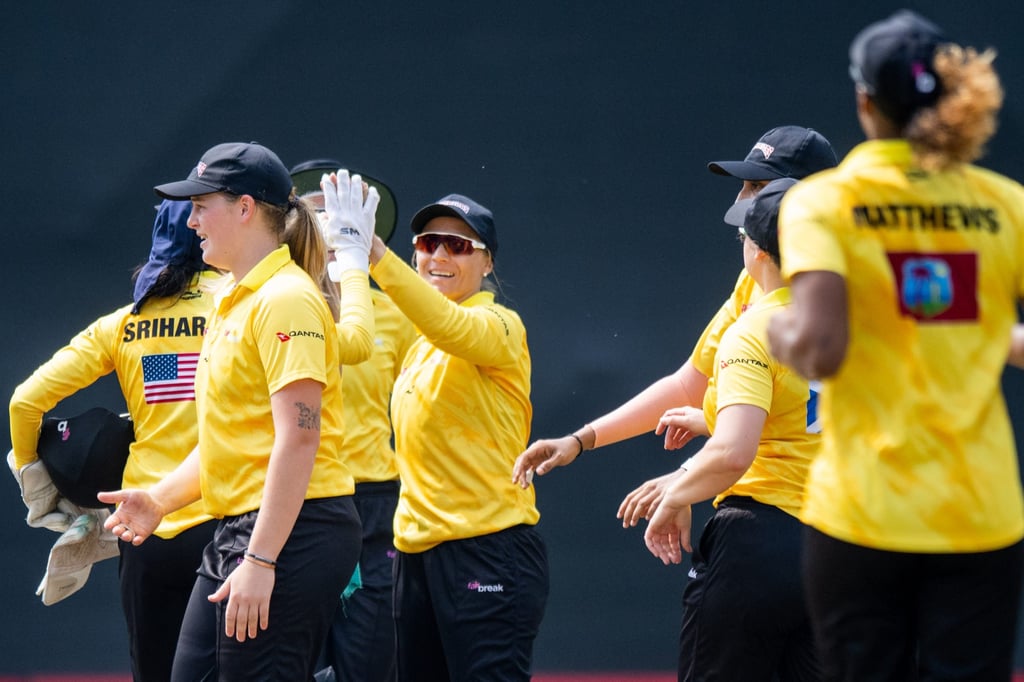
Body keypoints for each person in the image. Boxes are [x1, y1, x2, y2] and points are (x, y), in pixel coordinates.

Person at [767, 11, 1024, 681]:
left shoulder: (825, 203)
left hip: (863, 513)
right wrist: (985, 336)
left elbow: (820, 349)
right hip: (980, 512)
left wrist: (778, 329)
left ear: (863, 101)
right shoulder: (1004, 203)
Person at [98, 142, 377, 680]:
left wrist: (263, 559)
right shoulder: (236, 299)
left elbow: (299, 438)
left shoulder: (286, 299)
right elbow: (232, 440)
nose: (191, 219)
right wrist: (160, 499)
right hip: (248, 530)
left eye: (202, 205)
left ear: (245, 208)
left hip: (295, 532)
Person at [512, 125, 835, 490]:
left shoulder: (858, 291)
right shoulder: (756, 282)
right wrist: (581, 439)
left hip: (824, 513)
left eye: (758, 188)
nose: (740, 201)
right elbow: (689, 385)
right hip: (803, 509)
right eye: (743, 186)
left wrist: (683, 482)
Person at [8, 199, 218, 682]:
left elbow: (24, 403)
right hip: (229, 525)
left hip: (144, 529)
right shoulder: (248, 304)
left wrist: (31, 474)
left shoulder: (122, 323)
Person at [638, 179, 821, 680]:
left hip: (760, 542)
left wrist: (675, 494)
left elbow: (733, 454)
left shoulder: (753, 330)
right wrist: (710, 420)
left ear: (758, 250)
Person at [367, 194, 548, 681]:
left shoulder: (500, 325)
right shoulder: (419, 344)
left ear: (487, 262)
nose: (439, 256)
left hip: (486, 549)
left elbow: (451, 325)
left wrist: (374, 255)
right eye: (429, 242)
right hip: (415, 555)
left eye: (458, 245)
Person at [291, 158, 416, 682]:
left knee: (369, 663)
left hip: (374, 505)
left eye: (337, 213)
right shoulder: (274, 304)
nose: (326, 223)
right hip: (294, 497)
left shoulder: (397, 315)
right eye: (314, 211)